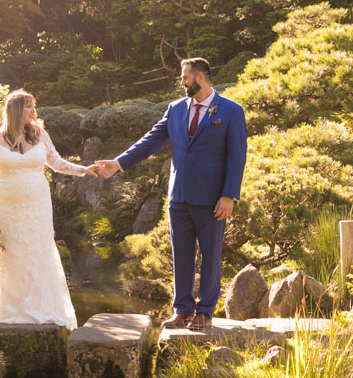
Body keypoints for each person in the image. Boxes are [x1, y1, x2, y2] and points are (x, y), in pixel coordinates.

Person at [97, 58, 247, 330]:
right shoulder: (175, 109)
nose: (181, 82)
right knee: (181, 254)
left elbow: (237, 157)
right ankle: (183, 310)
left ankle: (205, 311)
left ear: (200, 78)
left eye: (185, 77)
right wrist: (118, 163)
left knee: (211, 255)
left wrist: (229, 195)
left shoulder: (230, 111)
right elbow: (150, 141)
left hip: (212, 198)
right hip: (178, 197)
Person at [0, 90, 99, 329]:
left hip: (38, 203)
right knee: (11, 252)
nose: (34, 112)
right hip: (7, 204)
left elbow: (57, 163)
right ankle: (11, 307)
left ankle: (43, 306)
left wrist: (83, 169)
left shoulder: (40, 135)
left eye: (33, 107)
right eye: (29, 107)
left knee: (39, 250)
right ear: (15, 110)